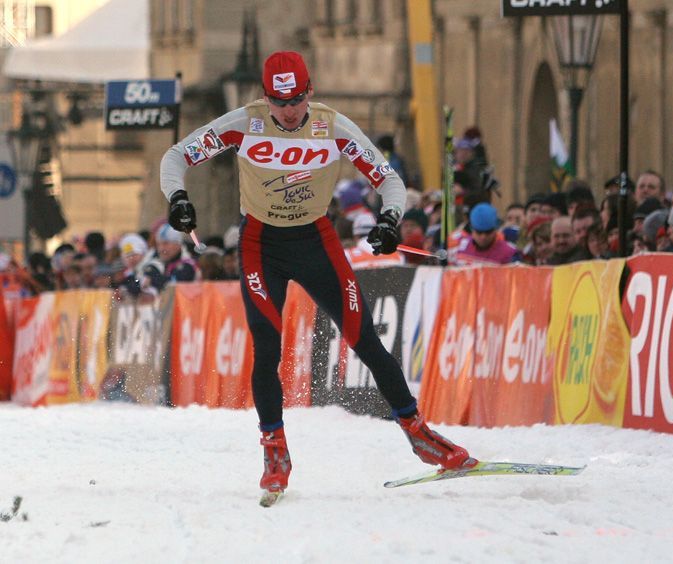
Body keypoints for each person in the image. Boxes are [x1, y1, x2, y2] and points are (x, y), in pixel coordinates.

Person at [160, 50, 473, 503]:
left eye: (296, 100)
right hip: (259, 245)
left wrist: (389, 220)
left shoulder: (332, 126)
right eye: (279, 102)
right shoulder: (244, 122)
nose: (289, 112)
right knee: (267, 346)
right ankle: (275, 452)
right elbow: (175, 157)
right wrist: (178, 199)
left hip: (315, 241)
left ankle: (419, 432)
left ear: (310, 92)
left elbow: (389, 180)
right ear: (266, 97)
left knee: (364, 338)